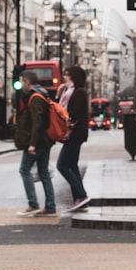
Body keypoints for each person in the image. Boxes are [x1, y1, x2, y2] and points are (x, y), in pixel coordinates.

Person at [14, 70, 57, 217]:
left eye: (21, 82)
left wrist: (32, 143)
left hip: (38, 142)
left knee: (24, 170)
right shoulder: (41, 94)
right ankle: (50, 207)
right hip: (44, 141)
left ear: (27, 82)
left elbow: (37, 122)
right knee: (43, 172)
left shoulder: (35, 97)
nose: (21, 85)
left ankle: (33, 204)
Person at [57, 66, 91, 211]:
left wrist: (65, 117)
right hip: (73, 134)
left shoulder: (78, 93)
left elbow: (75, 114)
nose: (65, 78)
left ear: (74, 77)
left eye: (67, 75)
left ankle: (82, 195)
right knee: (72, 166)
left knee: (62, 165)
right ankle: (78, 198)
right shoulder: (69, 92)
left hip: (75, 134)